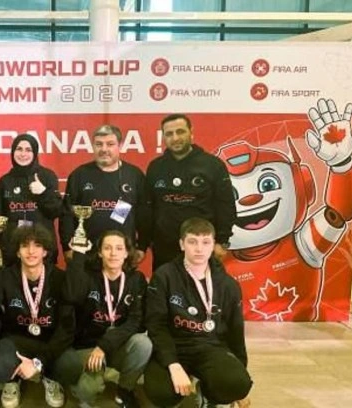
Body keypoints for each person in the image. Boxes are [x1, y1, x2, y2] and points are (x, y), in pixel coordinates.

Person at [144, 218, 252, 408]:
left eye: (205, 242)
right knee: (160, 393)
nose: (199, 249)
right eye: (192, 242)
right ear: (182, 244)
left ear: (213, 245)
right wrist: (173, 364)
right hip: (175, 345)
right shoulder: (164, 276)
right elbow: (156, 325)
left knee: (237, 384)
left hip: (210, 347)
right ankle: (180, 387)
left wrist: (239, 373)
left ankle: (209, 394)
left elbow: (236, 330)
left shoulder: (228, 285)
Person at [0, 225, 74, 408]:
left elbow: (66, 328)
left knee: (68, 364)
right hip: (16, 341)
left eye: (37, 245)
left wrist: (38, 362)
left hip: (49, 341)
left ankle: (49, 376)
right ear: (17, 252)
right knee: (1, 366)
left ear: (45, 251)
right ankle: (13, 380)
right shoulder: (4, 276)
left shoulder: (60, 278)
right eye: (25, 246)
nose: (31, 251)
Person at [57, 230, 151, 408]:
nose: (113, 253)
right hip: (89, 345)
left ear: (126, 253)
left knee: (143, 344)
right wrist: (78, 256)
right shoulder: (88, 277)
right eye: (107, 248)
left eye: (119, 248)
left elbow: (136, 321)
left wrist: (105, 346)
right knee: (88, 389)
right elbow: (71, 296)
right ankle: (83, 391)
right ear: (99, 252)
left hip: (117, 343)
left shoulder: (136, 280)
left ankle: (125, 389)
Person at [145, 114, 236, 270]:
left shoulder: (213, 165)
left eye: (180, 131)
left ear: (191, 132)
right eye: (169, 134)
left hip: (202, 248)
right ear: (163, 137)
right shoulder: (155, 167)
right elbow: (148, 207)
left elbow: (226, 205)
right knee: (164, 286)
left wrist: (222, 241)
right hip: (164, 250)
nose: (175, 138)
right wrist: (147, 241)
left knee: (202, 286)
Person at [60, 124, 149, 264]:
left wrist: (142, 246)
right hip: (85, 253)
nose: (104, 149)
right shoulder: (79, 175)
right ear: (93, 146)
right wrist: (67, 247)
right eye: (99, 144)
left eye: (110, 144)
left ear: (120, 146)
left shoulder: (134, 175)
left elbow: (144, 214)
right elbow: (67, 215)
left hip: (121, 255)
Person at [0, 133, 64, 265]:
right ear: (13, 152)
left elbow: (57, 211)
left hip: (43, 250)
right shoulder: (5, 181)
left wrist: (43, 193)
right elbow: (0, 218)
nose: (23, 154)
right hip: (13, 253)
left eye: (28, 150)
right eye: (19, 149)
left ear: (35, 153)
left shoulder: (47, 176)